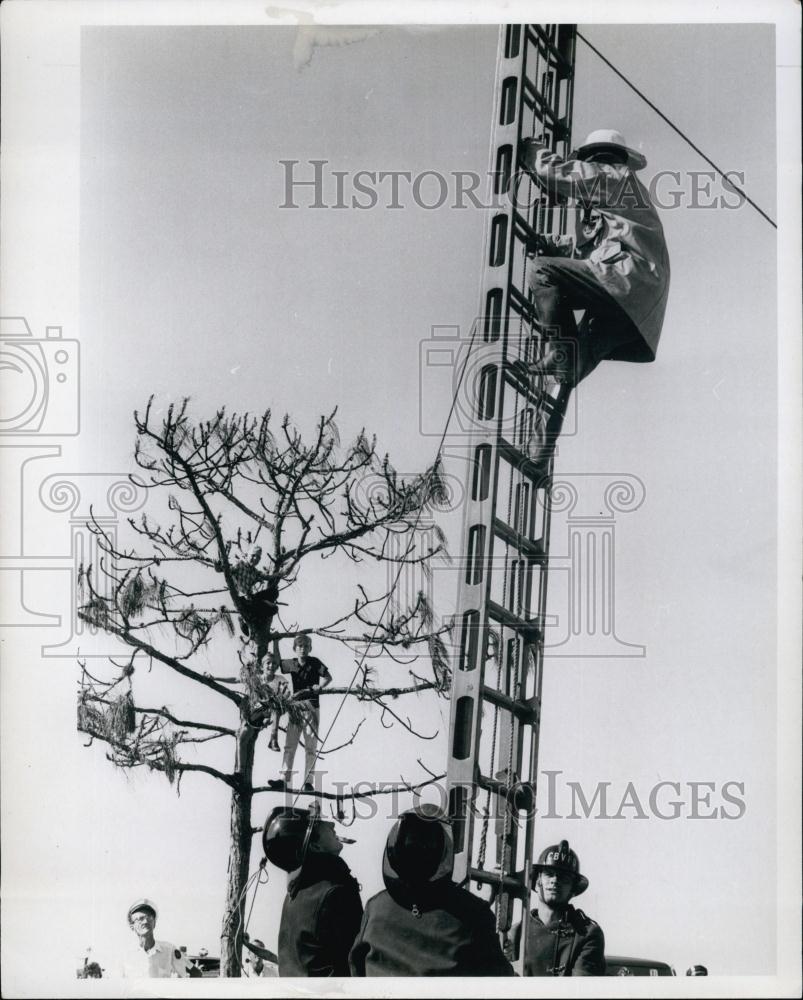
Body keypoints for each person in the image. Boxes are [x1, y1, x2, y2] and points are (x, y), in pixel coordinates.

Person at [520, 128, 670, 390]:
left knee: (542, 272)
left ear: (595, 158)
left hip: (627, 280)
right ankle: (546, 422)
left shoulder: (613, 177)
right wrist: (553, 243)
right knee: (570, 372)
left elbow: (557, 171)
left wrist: (527, 147)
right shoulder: (616, 196)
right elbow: (594, 253)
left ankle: (560, 351)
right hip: (637, 304)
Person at [349, 808, 514, 977]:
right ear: (443, 853)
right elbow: (499, 981)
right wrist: (479, 907)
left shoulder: (375, 907)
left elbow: (356, 967)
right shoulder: (475, 913)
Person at [263, 805, 363, 976]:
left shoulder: (295, 894)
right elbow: (357, 963)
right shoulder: (336, 892)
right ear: (315, 846)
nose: (331, 824)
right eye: (320, 823)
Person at [512, 839, 605, 976]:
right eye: (549, 874)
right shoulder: (517, 932)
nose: (555, 880)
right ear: (537, 883)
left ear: (573, 890)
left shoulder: (587, 934)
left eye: (564, 877)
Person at [268, 634, 332, 791]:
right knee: (290, 745)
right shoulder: (293, 663)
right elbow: (277, 662)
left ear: (309, 648)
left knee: (310, 747)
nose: (302, 649)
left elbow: (328, 677)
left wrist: (320, 686)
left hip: (311, 707)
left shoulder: (314, 662)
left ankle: (308, 782)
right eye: (299, 646)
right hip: (296, 709)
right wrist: (276, 641)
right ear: (295, 649)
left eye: (305, 646)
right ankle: (283, 779)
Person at [122, 898, 188, 978]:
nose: (146, 921)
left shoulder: (170, 950)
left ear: (154, 923)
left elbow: (190, 974)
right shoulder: (125, 954)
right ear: (132, 927)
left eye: (149, 917)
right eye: (140, 919)